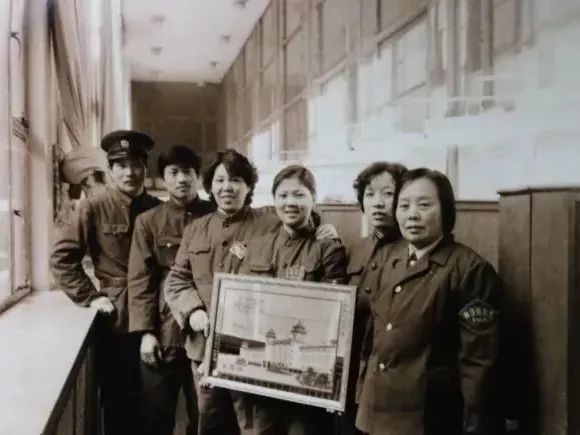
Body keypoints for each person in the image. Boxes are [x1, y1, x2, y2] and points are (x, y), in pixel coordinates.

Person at [164, 149, 338, 435]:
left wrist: (323, 227)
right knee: (210, 422)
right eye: (220, 180)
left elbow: (299, 217)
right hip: (205, 347)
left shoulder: (268, 221)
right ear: (210, 186)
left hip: (254, 351)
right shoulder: (196, 230)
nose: (227, 187)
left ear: (248, 186)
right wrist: (193, 310)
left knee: (253, 425)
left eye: (236, 180)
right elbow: (177, 280)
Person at [355, 168, 500, 435]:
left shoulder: (470, 270)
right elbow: (372, 339)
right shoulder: (387, 258)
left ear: (446, 211)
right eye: (404, 206)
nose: (412, 215)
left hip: (428, 418)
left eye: (424, 205)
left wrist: (475, 425)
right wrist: (362, 397)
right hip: (375, 411)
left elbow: (478, 363)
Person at [51, 130, 162, 435]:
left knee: (156, 405)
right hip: (117, 319)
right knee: (118, 403)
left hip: (157, 315)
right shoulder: (94, 206)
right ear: (110, 170)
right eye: (121, 165)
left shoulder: (158, 209)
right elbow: (62, 258)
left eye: (136, 164)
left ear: (146, 168)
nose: (130, 172)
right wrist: (90, 296)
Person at [240, 164, 348, 434]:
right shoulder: (257, 246)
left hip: (307, 378)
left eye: (299, 195)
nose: (290, 202)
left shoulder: (328, 248)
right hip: (261, 374)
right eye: (283, 195)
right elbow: (242, 304)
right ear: (274, 199)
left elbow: (333, 317)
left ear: (313, 199)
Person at [128, 145, 215, 435]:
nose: (181, 179)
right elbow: (140, 281)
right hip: (164, 331)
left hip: (206, 332)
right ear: (163, 178)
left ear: (197, 176)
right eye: (173, 172)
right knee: (156, 415)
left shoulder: (216, 215)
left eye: (188, 172)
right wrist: (146, 333)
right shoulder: (148, 222)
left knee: (204, 416)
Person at [341, 162, 406, 435]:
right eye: (369, 194)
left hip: (391, 376)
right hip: (350, 371)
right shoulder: (355, 248)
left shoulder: (413, 251)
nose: (378, 202)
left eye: (388, 193)